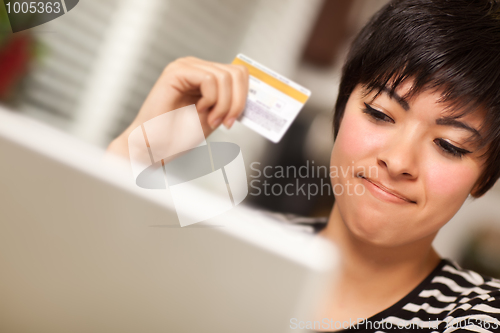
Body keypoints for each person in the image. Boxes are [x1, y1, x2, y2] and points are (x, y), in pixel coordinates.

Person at [107, 0, 500, 331]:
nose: (398, 161)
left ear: (485, 177)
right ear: (340, 113)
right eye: (380, 114)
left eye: (449, 145)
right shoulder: (238, 246)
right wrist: (136, 153)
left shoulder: (479, 318)